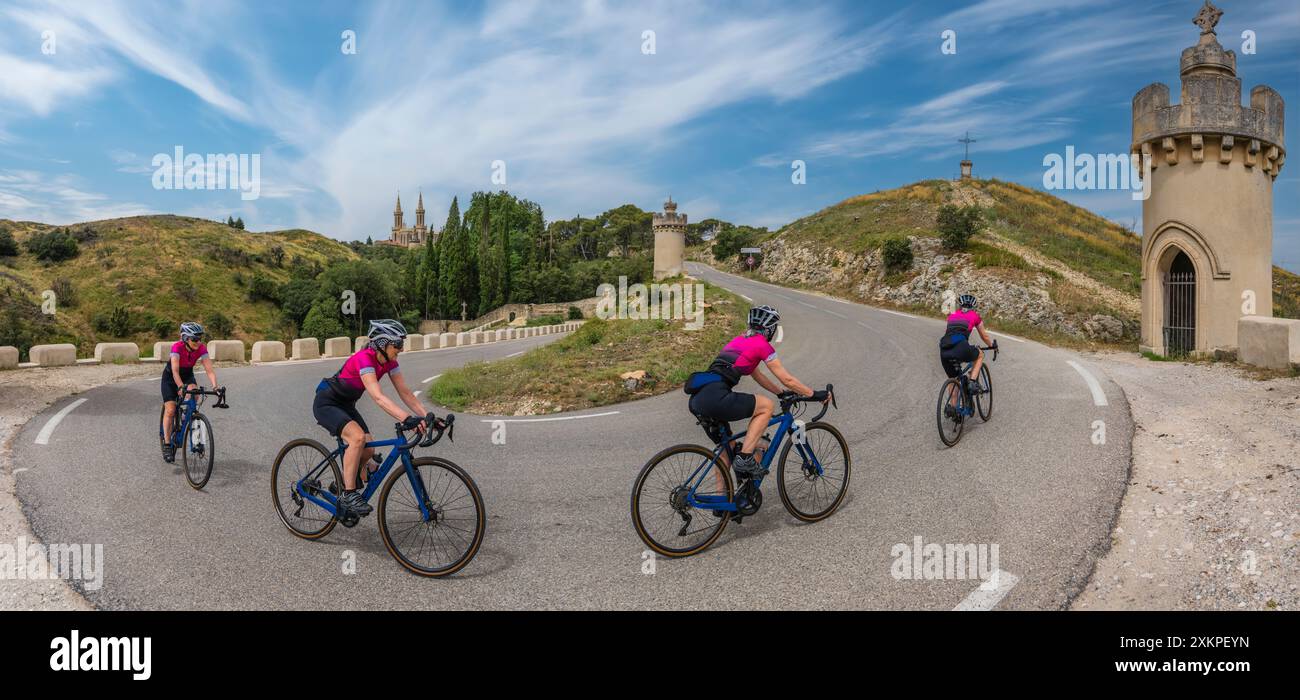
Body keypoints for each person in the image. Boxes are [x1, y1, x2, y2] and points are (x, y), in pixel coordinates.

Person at [685, 305, 828, 479]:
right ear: (770, 329)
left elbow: (756, 374)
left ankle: (722, 503)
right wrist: (813, 394)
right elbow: (787, 379)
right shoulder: (762, 345)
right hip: (717, 396)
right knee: (766, 406)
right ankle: (745, 458)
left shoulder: (738, 341)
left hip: (698, 398)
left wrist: (780, 393)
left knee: (726, 450)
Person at [313, 319, 427, 517]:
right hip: (327, 403)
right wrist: (406, 418)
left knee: (369, 448)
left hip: (347, 405)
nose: (401, 348)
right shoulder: (364, 359)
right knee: (357, 438)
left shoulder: (390, 362)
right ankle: (348, 494)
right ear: (382, 344)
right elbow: (378, 397)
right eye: (397, 344)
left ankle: (340, 482)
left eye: (402, 343)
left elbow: (405, 393)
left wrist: (428, 417)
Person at [939, 294, 997, 408]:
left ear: (960, 306)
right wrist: (992, 346)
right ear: (974, 306)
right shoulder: (975, 316)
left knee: (953, 379)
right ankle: (972, 382)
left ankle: (953, 409)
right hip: (960, 346)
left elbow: (953, 333)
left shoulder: (952, 315)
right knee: (979, 354)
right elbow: (984, 336)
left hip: (944, 348)